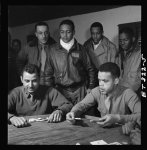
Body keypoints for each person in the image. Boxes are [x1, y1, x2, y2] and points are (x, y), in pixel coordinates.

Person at [43, 19, 98, 116]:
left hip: (80, 90)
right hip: (60, 91)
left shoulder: (82, 49)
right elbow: (47, 74)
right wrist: (50, 92)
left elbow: (91, 69)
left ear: (73, 32)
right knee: (61, 118)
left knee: (80, 118)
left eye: (68, 32)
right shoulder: (52, 50)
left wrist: (90, 87)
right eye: (62, 32)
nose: (65, 35)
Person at [66, 62, 141, 128]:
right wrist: (73, 112)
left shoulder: (128, 94)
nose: (101, 84)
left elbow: (140, 115)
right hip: (103, 132)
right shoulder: (97, 91)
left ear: (116, 81)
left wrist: (117, 118)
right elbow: (82, 104)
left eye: (105, 81)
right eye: (99, 80)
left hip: (122, 132)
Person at [8, 64, 73, 128]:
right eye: (27, 81)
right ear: (21, 79)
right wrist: (11, 118)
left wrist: (60, 111)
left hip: (46, 129)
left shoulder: (50, 91)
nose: (30, 85)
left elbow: (68, 105)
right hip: (22, 131)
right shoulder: (15, 93)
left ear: (39, 79)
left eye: (34, 81)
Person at [118, 27, 141, 93]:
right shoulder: (119, 55)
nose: (122, 43)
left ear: (133, 39)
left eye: (125, 40)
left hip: (134, 93)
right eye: (120, 40)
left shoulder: (139, 54)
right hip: (121, 92)